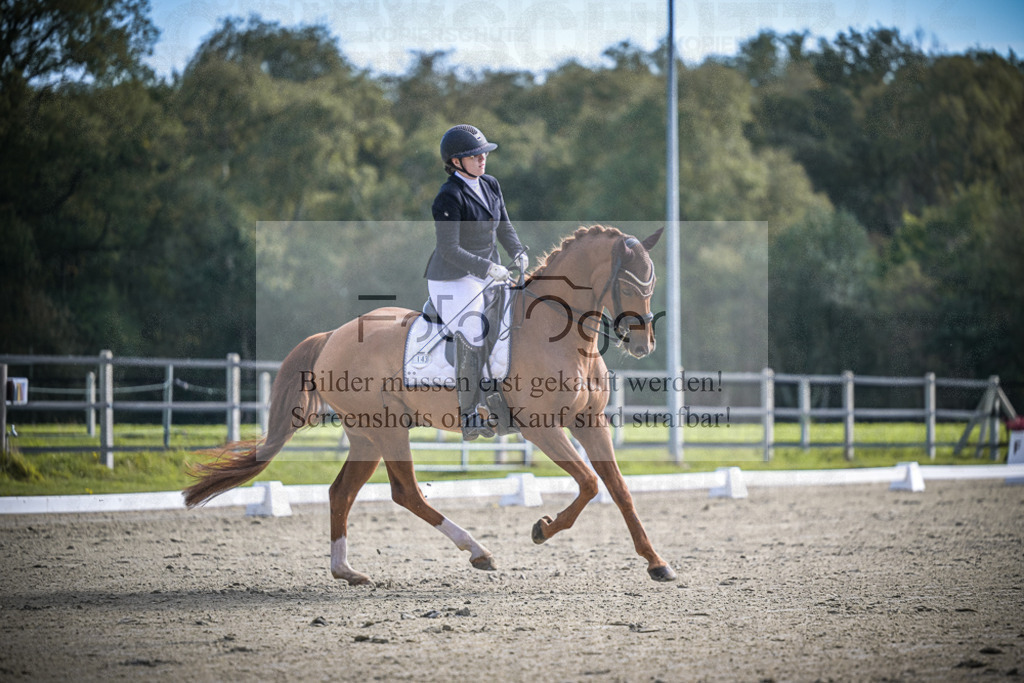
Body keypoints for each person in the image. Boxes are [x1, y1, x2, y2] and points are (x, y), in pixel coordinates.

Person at [424, 124, 528, 440]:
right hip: (452, 277)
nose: (482, 158)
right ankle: (469, 415)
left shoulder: (491, 184)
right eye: (474, 156)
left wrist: (518, 252)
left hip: (489, 272)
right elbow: (449, 249)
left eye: (483, 153)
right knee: (474, 328)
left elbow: (504, 227)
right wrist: (488, 268)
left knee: (513, 319)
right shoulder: (448, 196)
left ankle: (501, 400)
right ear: (456, 162)